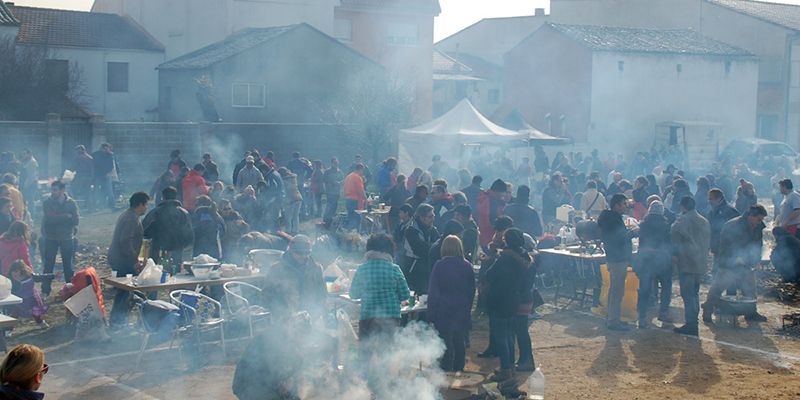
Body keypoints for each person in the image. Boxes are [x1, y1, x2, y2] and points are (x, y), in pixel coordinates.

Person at [702, 205, 769, 323]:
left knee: (750, 290)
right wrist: (735, 257)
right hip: (728, 264)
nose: (760, 222)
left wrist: (757, 260)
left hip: (747, 264)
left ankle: (751, 312)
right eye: (758, 219)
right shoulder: (732, 225)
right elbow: (725, 245)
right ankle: (707, 309)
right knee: (717, 289)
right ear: (750, 216)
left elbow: (758, 245)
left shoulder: (758, 227)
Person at [485, 228, 530, 382]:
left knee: (501, 336)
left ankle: (505, 368)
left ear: (507, 240)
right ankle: (509, 367)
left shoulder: (505, 258)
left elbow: (490, 275)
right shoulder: (524, 256)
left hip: (499, 299)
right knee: (509, 335)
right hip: (514, 299)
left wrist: (492, 258)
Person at [427, 235, 475, 372]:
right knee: (459, 341)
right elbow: (472, 290)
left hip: (444, 309)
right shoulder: (467, 265)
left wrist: (431, 314)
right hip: (461, 308)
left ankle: (446, 370)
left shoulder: (439, 265)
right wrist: (468, 307)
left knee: (445, 342)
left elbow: (433, 291)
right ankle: (459, 369)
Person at [349, 234, 411, 340]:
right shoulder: (394, 269)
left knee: (366, 353)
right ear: (389, 251)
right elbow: (405, 294)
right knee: (388, 353)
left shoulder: (362, 269)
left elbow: (353, 294)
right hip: (391, 317)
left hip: (368, 317)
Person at [107, 192, 149, 326]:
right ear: (140, 204)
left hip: (119, 258)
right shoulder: (131, 218)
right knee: (125, 291)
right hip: (122, 260)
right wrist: (134, 260)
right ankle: (118, 322)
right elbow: (125, 241)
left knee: (124, 292)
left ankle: (118, 321)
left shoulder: (129, 214)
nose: (146, 208)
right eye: (145, 204)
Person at [670, 196, 710, 336]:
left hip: (686, 262)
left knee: (688, 295)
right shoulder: (704, 221)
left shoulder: (682, 220)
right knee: (694, 293)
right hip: (700, 262)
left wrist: (675, 255)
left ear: (683, 206)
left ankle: (691, 324)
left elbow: (674, 236)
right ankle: (693, 322)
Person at [261, 235, 326, 319]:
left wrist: (317, 312)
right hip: (284, 318)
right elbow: (266, 295)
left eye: (306, 253)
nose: (303, 256)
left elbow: (322, 293)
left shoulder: (316, 269)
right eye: (299, 253)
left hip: (311, 316)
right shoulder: (276, 269)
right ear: (291, 251)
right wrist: (280, 312)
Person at [598, 193, 636, 331]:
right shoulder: (613, 220)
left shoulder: (610, 218)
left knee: (615, 290)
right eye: (624, 204)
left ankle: (612, 317)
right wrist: (633, 232)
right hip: (617, 258)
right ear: (616, 205)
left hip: (614, 257)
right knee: (617, 290)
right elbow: (619, 238)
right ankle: (613, 321)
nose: (626, 206)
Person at [635, 200, 673, 329]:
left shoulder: (643, 224)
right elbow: (669, 244)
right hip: (662, 259)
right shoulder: (666, 225)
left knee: (644, 289)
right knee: (666, 287)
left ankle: (642, 317)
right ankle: (663, 312)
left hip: (646, 260)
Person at [41, 181, 79, 297]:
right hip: (51, 237)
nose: (53, 192)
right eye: (52, 190)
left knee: (68, 265)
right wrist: (66, 216)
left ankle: (70, 290)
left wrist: (60, 218)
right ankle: (45, 290)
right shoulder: (47, 202)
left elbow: (76, 220)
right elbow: (49, 219)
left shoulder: (71, 203)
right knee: (48, 265)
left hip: (67, 237)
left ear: (62, 190)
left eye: (55, 190)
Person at [142, 187, 193, 267]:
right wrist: (185, 244)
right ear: (176, 196)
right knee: (175, 271)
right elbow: (189, 232)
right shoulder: (183, 212)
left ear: (163, 197)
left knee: (157, 271)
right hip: (177, 248)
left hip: (158, 248)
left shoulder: (155, 211)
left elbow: (144, 229)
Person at [402, 204, 439, 294]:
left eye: (433, 216)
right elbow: (420, 250)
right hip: (414, 268)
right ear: (422, 217)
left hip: (428, 267)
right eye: (430, 217)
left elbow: (439, 246)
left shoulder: (433, 229)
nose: (433, 219)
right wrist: (432, 247)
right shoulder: (411, 230)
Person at [706, 188, 740, 281]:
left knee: (729, 272)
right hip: (717, 247)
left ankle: (730, 294)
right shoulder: (713, 210)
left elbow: (737, 230)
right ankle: (716, 293)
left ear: (719, 198)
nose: (709, 201)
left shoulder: (730, 211)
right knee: (717, 271)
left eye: (711, 199)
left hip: (728, 248)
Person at [8, 260, 49, 328]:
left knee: (36, 312)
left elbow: (41, 277)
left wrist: (52, 276)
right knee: (14, 314)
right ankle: (8, 329)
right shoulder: (11, 281)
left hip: (32, 298)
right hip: (20, 301)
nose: (14, 274)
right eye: (13, 271)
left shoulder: (30, 276)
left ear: (21, 270)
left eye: (16, 271)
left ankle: (41, 322)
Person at [91, 143, 116, 211]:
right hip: (98, 175)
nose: (106, 150)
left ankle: (112, 206)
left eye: (107, 148)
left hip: (106, 175)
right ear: (101, 148)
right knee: (96, 191)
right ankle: (93, 207)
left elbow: (111, 166)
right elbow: (91, 160)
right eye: (104, 148)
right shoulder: (95, 154)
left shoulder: (110, 155)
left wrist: (108, 173)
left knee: (109, 191)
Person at [343, 164, 367, 231]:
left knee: (350, 218)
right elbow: (361, 191)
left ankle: (348, 234)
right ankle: (354, 235)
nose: (362, 172)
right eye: (362, 170)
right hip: (355, 201)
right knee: (356, 219)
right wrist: (366, 199)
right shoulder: (357, 177)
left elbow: (344, 189)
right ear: (360, 169)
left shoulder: (348, 176)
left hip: (348, 200)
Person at [71, 145, 94, 209]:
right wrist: (92, 178)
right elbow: (92, 169)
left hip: (80, 177)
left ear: (81, 150)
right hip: (88, 177)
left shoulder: (77, 158)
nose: (76, 151)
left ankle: (77, 206)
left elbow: (73, 167)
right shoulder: (90, 158)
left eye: (77, 150)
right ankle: (89, 207)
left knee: (75, 191)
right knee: (87, 192)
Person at [281, 169, 303, 235]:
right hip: (298, 197)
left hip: (290, 199)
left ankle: (288, 231)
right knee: (295, 216)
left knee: (288, 217)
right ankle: (295, 230)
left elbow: (285, 191)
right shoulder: (293, 178)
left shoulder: (284, 180)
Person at [323, 157, 343, 225]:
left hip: (337, 192)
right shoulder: (327, 171)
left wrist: (339, 183)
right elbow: (324, 180)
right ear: (331, 163)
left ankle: (331, 220)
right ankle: (326, 220)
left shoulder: (339, 171)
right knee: (329, 206)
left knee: (334, 206)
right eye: (334, 163)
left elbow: (343, 180)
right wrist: (331, 182)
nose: (336, 164)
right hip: (330, 192)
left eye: (337, 163)